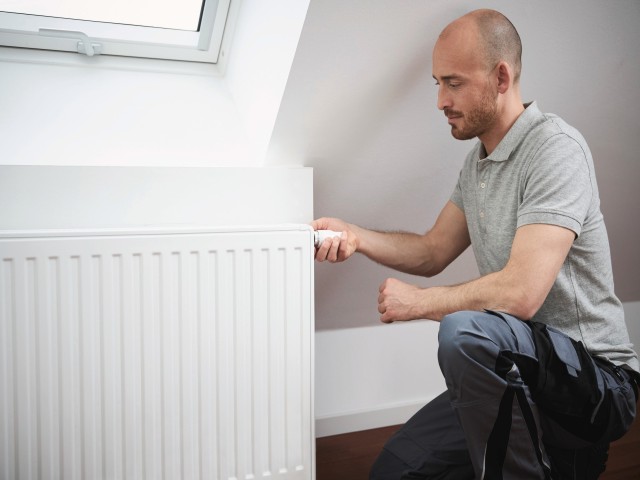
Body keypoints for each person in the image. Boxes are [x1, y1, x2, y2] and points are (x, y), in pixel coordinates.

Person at [312, 9, 639, 480]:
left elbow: (520, 295)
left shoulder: (556, 149)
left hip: (596, 382)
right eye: (436, 84)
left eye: (453, 82)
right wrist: (357, 235)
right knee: (395, 469)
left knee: (464, 333)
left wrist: (420, 304)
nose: (440, 100)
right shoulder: (479, 164)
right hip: (518, 369)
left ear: (501, 76)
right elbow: (431, 251)